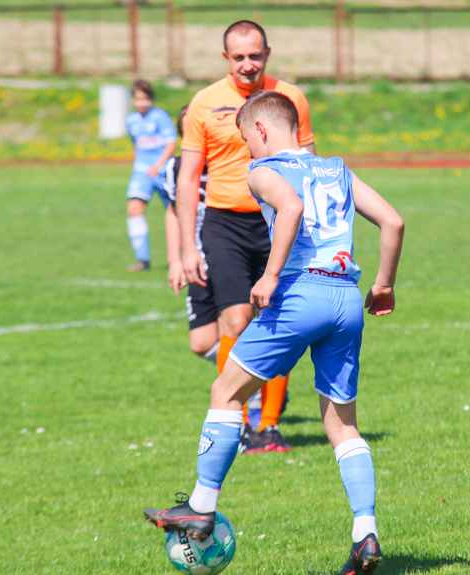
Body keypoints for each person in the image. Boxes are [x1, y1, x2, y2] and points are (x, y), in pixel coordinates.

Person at [145, 90, 404, 575]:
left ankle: (200, 507)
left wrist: (268, 275)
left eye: (246, 140)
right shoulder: (336, 169)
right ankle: (365, 533)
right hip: (347, 298)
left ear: (262, 130)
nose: (247, 150)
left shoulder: (265, 170)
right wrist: (384, 284)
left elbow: (289, 208)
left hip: (300, 294)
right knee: (342, 424)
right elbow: (393, 220)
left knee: (225, 391)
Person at [176, 20, 315, 452]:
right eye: (239, 57)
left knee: (279, 320)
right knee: (236, 320)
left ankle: (269, 426)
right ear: (225, 59)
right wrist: (186, 247)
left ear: (267, 54)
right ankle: (233, 420)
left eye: (255, 55)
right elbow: (187, 179)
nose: (248, 64)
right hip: (225, 225)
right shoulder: (204, 103)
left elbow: (308, 165)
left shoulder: (290, 97)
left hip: (279, 223)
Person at [164, 105, 220, 366]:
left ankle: (255, 397)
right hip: (196, 260)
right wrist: (175, 260)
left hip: (229, 254)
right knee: (200, 342)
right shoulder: (175, 168)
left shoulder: (228, 165)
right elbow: (173, 212)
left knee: (238, 327)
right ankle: (264, 379)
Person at [125, 79, 177, 272]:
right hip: (142, 172)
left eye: (146, 99)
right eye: (138, 99)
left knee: (176, 213)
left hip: (162, 171)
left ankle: (186, 255)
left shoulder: (160, 117)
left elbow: (171, 144)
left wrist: (157, 165)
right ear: (133, 100)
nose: (142, 103)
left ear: (152, 99)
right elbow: (136, 145)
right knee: (134, 209)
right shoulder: (131, 120)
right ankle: (143, 259)